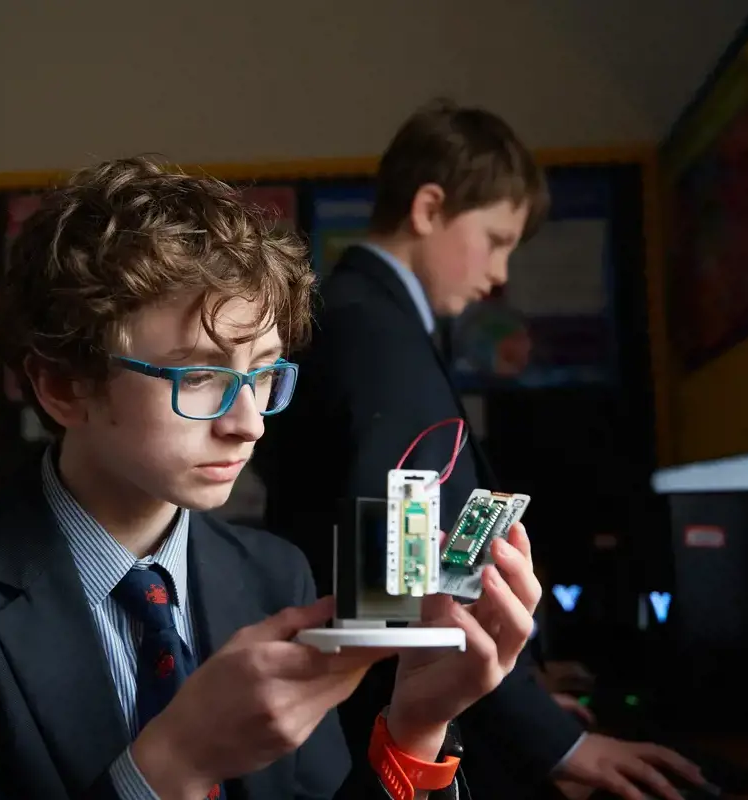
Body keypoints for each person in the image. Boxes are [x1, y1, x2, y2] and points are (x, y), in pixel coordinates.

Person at [0, 156, 545, 799]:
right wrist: (174, 762)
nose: (249, 422)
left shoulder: (276, 575)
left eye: (265, 374)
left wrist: (414, 728)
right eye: (202, 374)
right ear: (63, 387)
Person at [254, 100, 706, 800]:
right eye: (495, 239)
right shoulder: (376, 334)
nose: (499, 274)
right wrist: (553, 741)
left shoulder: (365, 319)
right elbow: (402, 585)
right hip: (381, 740)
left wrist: (515, 685)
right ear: (429, 208)